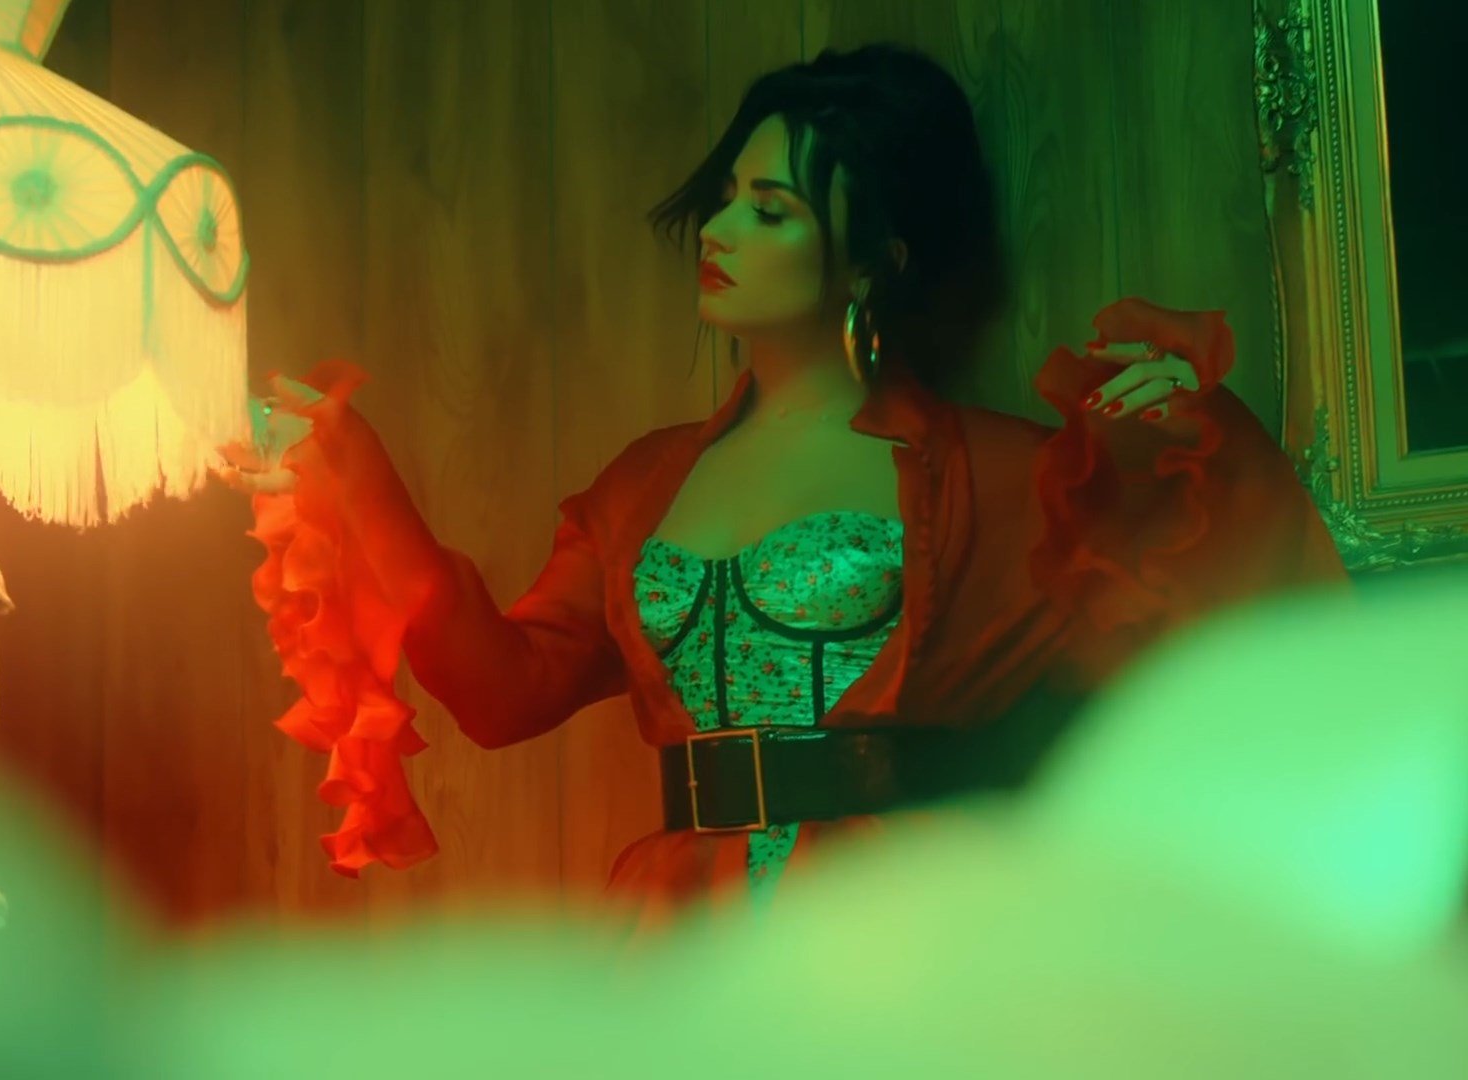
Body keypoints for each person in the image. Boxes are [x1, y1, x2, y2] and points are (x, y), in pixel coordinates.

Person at [215, 44, 1347, 927]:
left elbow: (1234, 664)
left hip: (897, 926)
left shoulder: (1000, 475)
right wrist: (362, 488)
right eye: (726, 196)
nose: (718, 230)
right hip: (680, 927)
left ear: (874, 260)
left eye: (771, 210)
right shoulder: (644, 484)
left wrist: (1192, 437)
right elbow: (503, 692)